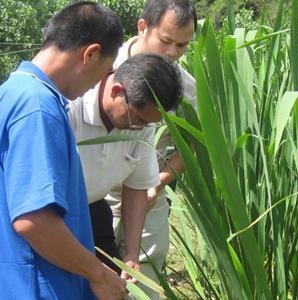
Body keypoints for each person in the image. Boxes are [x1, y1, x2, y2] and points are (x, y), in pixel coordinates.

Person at [0, 2, 127, 299]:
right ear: (91, 53)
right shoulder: (37, 107)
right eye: (105, 72)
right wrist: (99, 274)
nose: (99, 85)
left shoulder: (12, 92)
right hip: (35, 286)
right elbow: (34, 221)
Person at [106, 0, 197, 297]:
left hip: (148, 197)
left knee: (143, 281)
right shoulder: (106, 65)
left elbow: (194, 145)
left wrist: (159, 182)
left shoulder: (184, 87)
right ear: (143, 27)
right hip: (97, 195)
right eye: (167, 41)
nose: (173, 53)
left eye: (182, 45)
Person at [68, 54, 183, 284]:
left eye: (148, 123)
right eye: (137, 118)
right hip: (53, 214)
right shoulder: (71, 107)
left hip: (93, 212)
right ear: (116, 91)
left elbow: (137, 185)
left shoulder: (142, 123)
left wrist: (131, 253)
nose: (139, 127)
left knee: (114, 286)